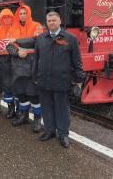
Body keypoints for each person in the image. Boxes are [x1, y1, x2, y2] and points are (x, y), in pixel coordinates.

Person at [32, 11, 84, 148]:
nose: (51, 23)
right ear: (46, 23)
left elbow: (77, 61)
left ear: (60, 21)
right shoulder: (41, 38)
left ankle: (63, 134)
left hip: (62, 80)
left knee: (62, 109)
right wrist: (35, 76)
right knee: (47, 107)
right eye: (49, 21)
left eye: (54, 20)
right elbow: (36, 59)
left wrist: (79, 80)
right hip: (44, 80)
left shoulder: (70, 38)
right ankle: (49, 131)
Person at [7, 4, 44, 132]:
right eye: (20, 13)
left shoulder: (37, 26)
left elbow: (35, 41)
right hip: (18, 65)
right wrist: (17, 53)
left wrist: (17, 40)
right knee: (21, 93)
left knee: (34, 94)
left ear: (29, 14)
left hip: (32, 64)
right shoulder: (12, 28)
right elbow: (9, 46)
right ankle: (24, 116)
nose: (22, 15)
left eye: (24, 13)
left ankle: (38, 120)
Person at [0, 9, 14, 118]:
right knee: (6, 85)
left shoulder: (16, 28)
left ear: (12, 18)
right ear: (1, 19)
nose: (6, 19)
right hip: (3, 60)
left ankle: (20, 110)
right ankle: (11, 108)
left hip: (15, 59)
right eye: (4, 17)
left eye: (8, 17)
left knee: (17, 84)